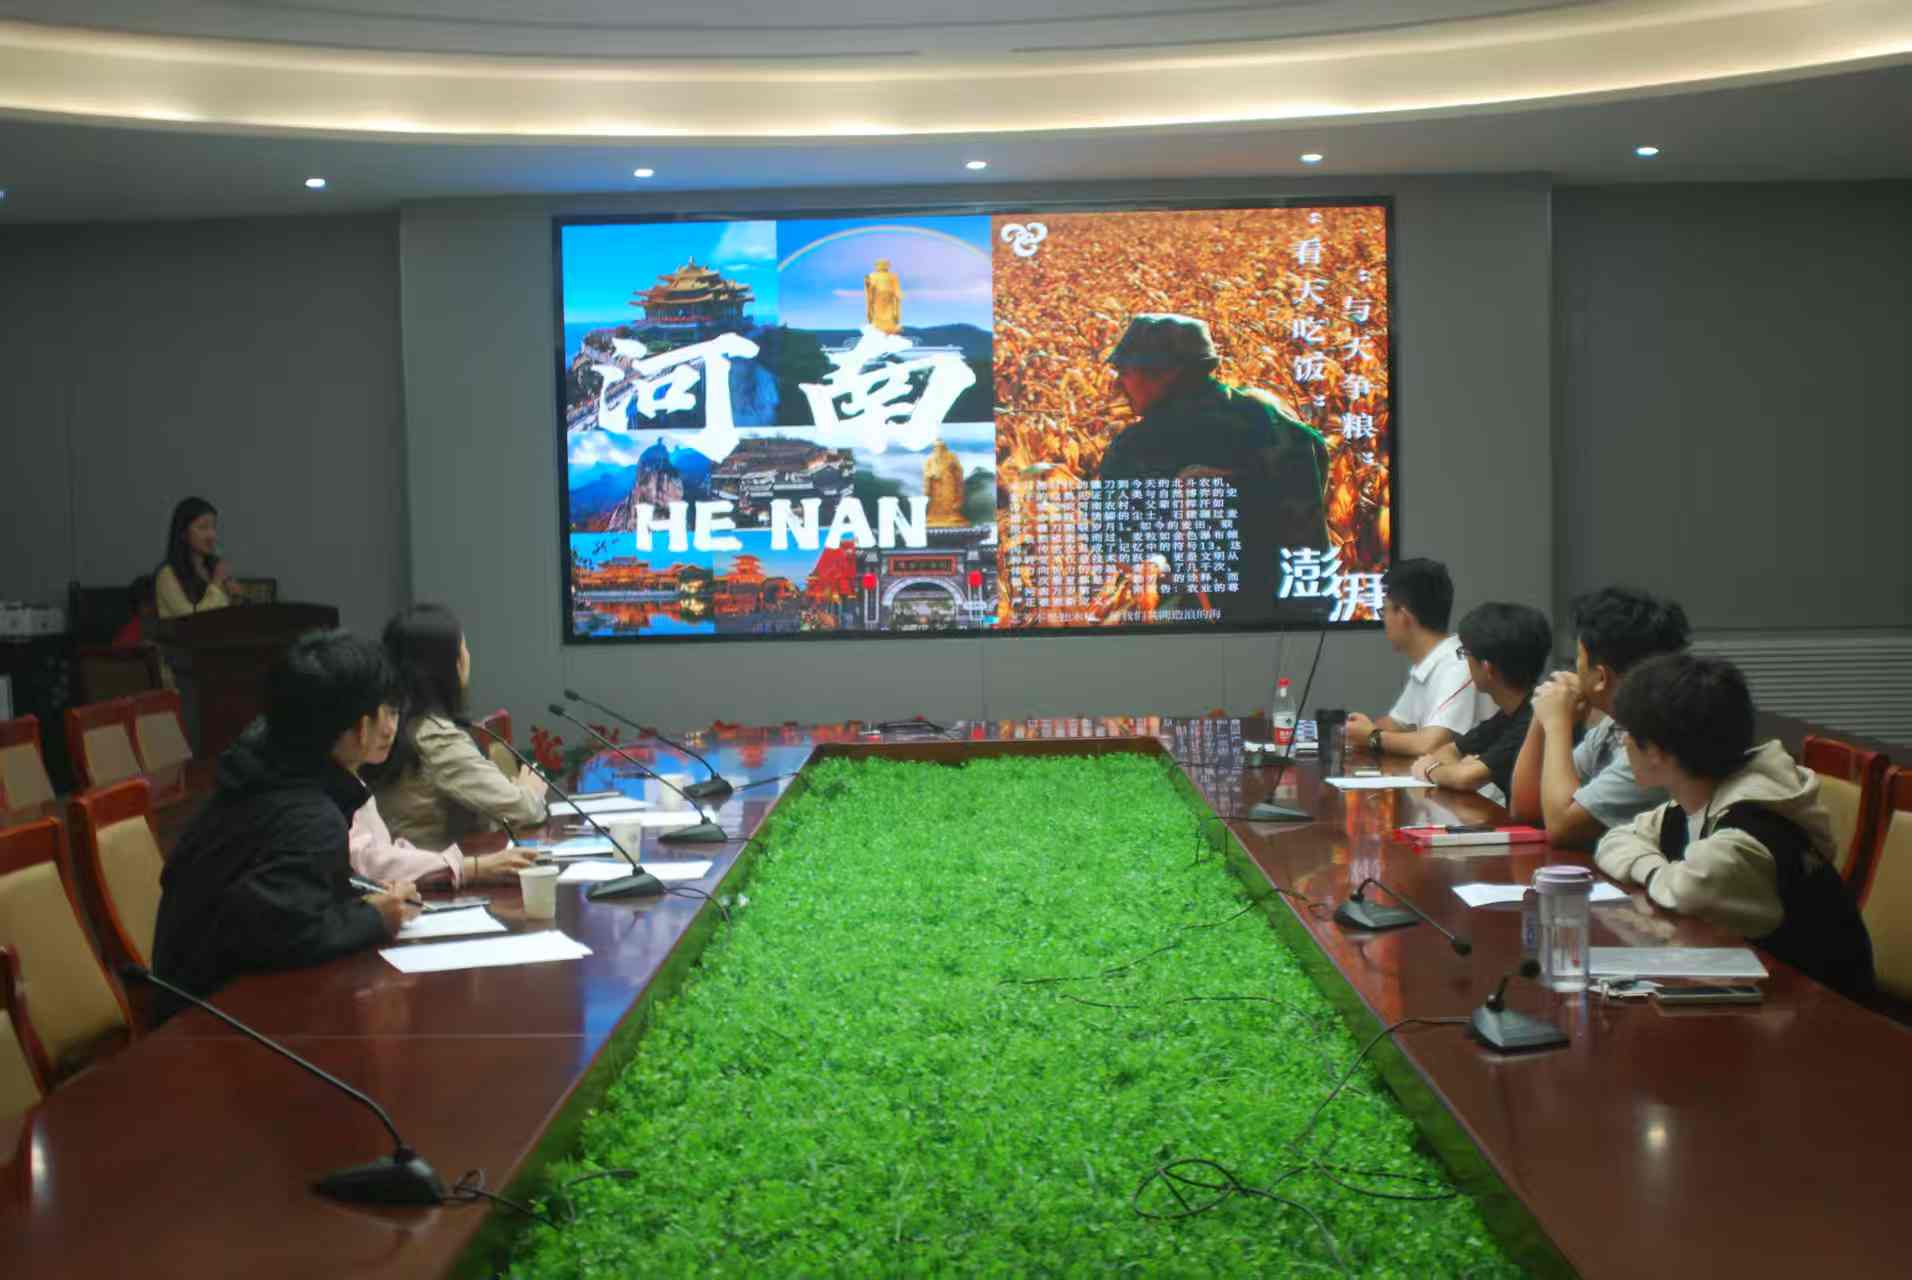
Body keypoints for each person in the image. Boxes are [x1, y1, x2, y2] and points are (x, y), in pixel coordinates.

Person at [150, 630, 419, 1022]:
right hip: (210, 1025)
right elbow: (281, 932)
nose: (391, 725)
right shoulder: (309, 816)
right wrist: (375, 918)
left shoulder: (262, 773)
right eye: (386, 710)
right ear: (362, 728)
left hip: (189, 1003)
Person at [1594, 654, 1873, 998]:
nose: (1623, 743)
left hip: (1825, 1013)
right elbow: (1616, 840)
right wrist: (1658, 871)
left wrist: (1651, 871)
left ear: (1656, 751)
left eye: (1628, 734)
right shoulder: (1697, 798)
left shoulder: (1747, 830)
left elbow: (1687, 890)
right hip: (1767, 997)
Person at [1095, 313, 1329, 623]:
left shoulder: (1136, 447)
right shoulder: (1268, 415)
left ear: (1164, 374)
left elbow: (1115, 542)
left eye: (1124, 372)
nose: (1118, 383)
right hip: (1298, 613)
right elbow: (1317, 459)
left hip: (1200, 625)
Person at [1509, 586, 1690, 848]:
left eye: (1578, 660)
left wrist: (1557, 724)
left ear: (1601, 677)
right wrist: (1542, 717)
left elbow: (1561, 828)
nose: (1574, 669)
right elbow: (1526, 808)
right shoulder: (1614, 726)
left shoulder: (1656, 746)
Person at [370, 605, 549, 850]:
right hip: (438, 869)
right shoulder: (434, 736)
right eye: (463, 648)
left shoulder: (396, 725)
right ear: (449, 664)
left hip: (415, 866)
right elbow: (525, 811)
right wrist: (530, 790)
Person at [349, 711, 539, 890]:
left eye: (393, 711)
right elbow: (371, 862)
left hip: (418, 882)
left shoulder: (356, 779)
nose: (390, 728)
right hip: (429, 884)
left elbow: (387, 853)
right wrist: (474, 868)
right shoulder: (429, 732)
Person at [1345, 558, 1493, 757]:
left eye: (1383, 611)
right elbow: (1396, 725)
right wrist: (1360, 730)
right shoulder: (1430, 663)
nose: (1384, 621)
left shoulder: (1459, 665)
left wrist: (1372, 736)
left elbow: (1429, 745)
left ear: (1403, 616)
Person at [1409, 601, 1552, 804]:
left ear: (1487, 668)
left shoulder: (1535, 716)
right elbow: (1446, 751)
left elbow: (1466, 779)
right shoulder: (1509, 713)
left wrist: (1431, 770)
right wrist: (1459, 769)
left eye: (1466, 654)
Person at [154, 497, 233, 618]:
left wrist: (234, 597)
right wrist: (216, 583)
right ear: (183, 533)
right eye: (203, 527)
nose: (212, 535)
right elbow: (191, 621)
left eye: (213, 527)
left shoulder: (212, 569)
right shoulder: (167, 574)